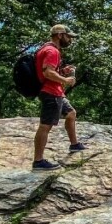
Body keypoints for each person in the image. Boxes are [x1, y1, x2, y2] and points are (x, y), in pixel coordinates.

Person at [31, 24, 85, 170]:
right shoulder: (52, 51)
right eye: (68, 37)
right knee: (45, 126)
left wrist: (63, 71)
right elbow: (48, 73)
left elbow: (49, 70)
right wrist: (66, 80)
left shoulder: (45, 49)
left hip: (55, 91)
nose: (70, 40)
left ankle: (74, 145)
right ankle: (38, 161)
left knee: (71, 113)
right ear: (60, 35)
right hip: (51, 92)